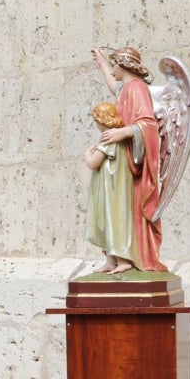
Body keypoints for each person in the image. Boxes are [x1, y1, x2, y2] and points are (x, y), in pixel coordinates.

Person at [91, 46, 167, 272]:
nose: (112, 71)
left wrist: (121, 133)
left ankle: (127, 257)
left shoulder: (138, 88)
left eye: (114, 66)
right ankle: (113, 256)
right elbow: (113, 86)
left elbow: (148, 124)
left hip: (127, 159)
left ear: (124, 66)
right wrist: (102, 63)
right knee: (109, 207)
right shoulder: (126, 89)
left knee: (121, 209)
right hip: (117, 158)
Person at [84, 102, 137, 274]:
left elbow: (93, 163)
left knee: (112, 221)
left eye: (96, 120)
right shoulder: (118, 139)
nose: (96, 124)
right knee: (108, 222)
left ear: (103, 120)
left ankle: (122, 260)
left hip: (111, 188)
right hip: (110, 186)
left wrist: (88, 154)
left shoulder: (109, 138)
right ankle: (110, 261)